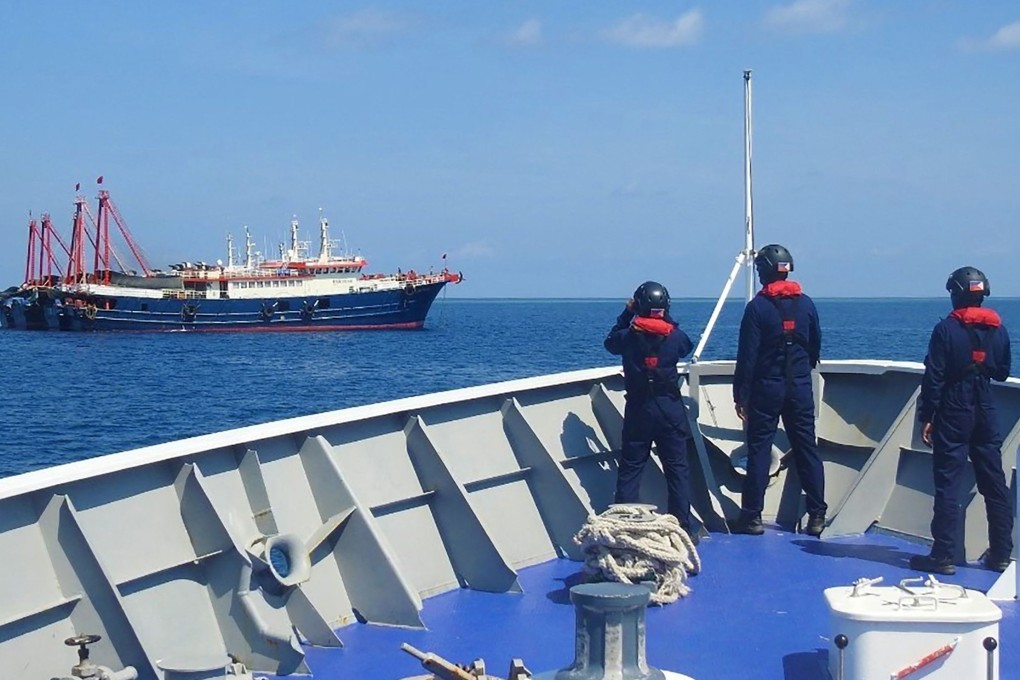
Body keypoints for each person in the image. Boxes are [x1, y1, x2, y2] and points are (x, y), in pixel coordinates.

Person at [910, 266, 1014, 575]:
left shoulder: (945, 330)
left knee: (948, 484)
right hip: (986, 409)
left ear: (956, 294)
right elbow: (1002, 371)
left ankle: (942, 555)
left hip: (954, 409)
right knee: (995, 484)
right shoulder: (999, 330)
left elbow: (935, 377)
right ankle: (1000, 555)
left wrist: (927, 416)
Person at [731, 244, 826, 536]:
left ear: (763, 272)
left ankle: (752, 517)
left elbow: (747, 356)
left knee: (759, 450)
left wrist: (741, 396)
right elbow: (814, 347)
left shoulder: (757, 308)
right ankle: (817, 515)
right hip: (799, 386)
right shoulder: (807, 304)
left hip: (767, 388)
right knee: (806, 447)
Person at [604, 281, 696, 537]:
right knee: (677, 470)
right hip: (670, 410)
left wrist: (627, 314)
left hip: (639, 410)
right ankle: (682, 529)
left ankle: (622, 526)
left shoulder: (627, 338)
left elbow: (610, 342)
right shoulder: (675, 338)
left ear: (639, 305)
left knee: (631, 469)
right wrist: (664, 317)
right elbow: (686, 347)